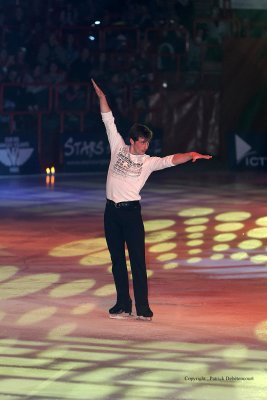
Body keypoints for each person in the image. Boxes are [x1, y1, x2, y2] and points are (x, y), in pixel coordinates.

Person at [91, 79, 212, 321]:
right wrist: (102, 96)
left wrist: (190, 155)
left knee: (137, 262)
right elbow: (108, 119)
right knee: (117, 261)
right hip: (111, 213)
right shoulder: (118, 147)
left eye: (148, 142)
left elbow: (170, 159)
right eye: (143, 142)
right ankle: (123, 304)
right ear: (132, 141)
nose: (146, 146)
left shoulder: (148, 162)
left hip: (131, 214)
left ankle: (143, 308)